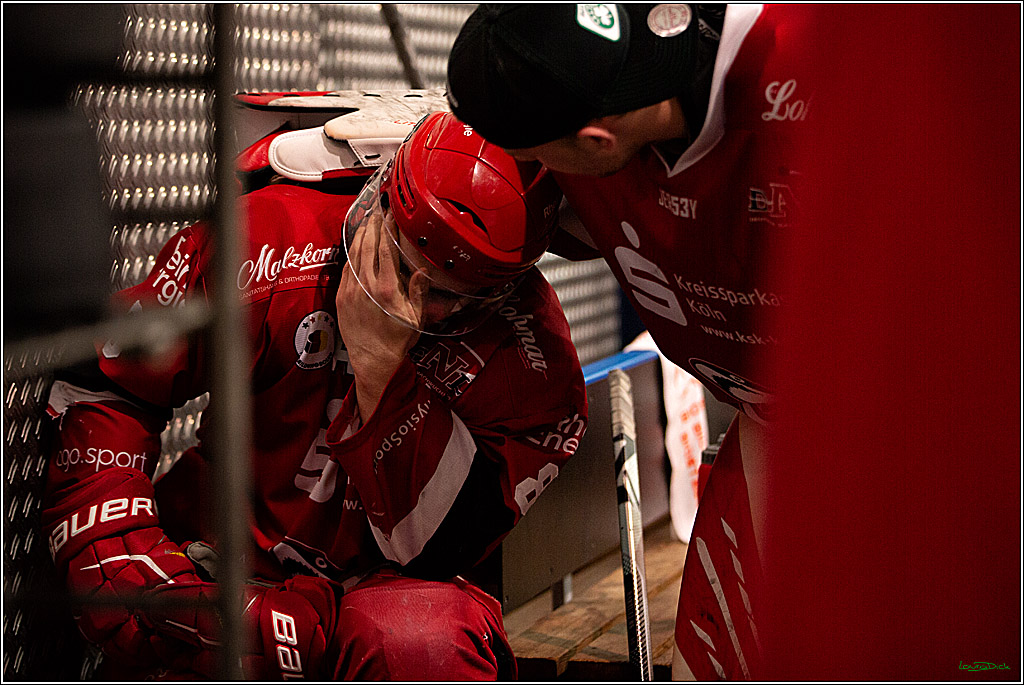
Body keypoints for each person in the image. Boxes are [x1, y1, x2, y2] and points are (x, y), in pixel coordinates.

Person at [446, 4, 1021, 681]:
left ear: (597, 143)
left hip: (946, 442)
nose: (528, 173)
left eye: (536, 156)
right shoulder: (600, 101)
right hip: (777, 435)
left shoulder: (824, 60)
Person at [41, 110, 588, 680]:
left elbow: (444, 547)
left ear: (504, 289)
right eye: (399, 260)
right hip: (220, 555)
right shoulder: (267, 240)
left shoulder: (533, 364)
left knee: (418, 642)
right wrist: (121, 557)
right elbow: (110, 381)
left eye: (449, 296)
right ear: (379, 195)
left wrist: (381, 369)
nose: (406, 302)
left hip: (392, 591)